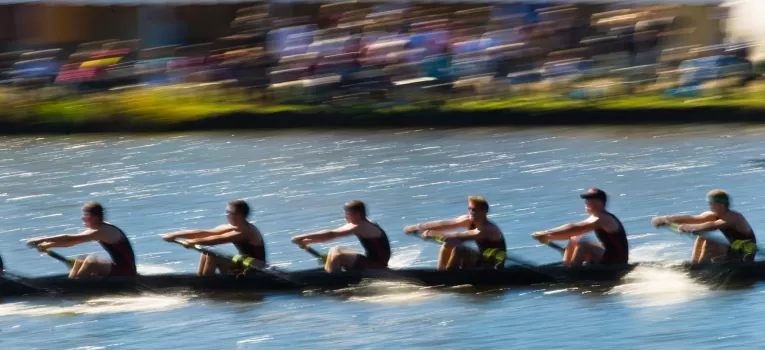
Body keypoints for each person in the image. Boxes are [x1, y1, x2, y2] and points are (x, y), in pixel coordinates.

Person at [26, 202, 136, 278]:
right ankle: (72, 281)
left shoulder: (102, 231)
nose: (83, 218)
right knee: (80, 260)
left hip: (127, 272)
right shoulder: (97, 229)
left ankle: (75, 285)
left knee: (92, 261)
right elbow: (71, 243)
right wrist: (47, 245)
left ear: (96, 217)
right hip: (121, 270)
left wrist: (41, 240)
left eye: (86, 215)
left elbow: (69, 238)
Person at [161, 199, 265, 276]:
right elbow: (206, 233)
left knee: (213, 256)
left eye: (229, 212)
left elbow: (219, 239)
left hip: (255, 271)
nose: (227, 215)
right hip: (243, 265)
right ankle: (200, 279)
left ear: (239, 215)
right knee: (206, 253)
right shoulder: (233, 227)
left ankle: (206, 285)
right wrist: (175, 235)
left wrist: (192, 242)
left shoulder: (247, 231)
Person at [652, 189, 757, 263]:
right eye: (709, 203)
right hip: (733, 251)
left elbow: (711, 226)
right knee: (701, 236)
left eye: (712, 203)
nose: (710, 206)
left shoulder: (733, 217)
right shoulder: (713, 215)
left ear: (721, 204)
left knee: (709, 242)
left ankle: (699, 270)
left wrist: (686, 227)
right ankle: (695, 264)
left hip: (744, 256)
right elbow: (693, 219)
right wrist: (666, 219)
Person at [403, 196, 506, 271]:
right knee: (449, 243)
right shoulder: (469, 220)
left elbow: (460, 236)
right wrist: (417, 227)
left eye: (474, 210)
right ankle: (441, 272)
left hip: (492, 264)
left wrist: (432, 234)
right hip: (480, 258)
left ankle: (450, 275)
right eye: (469, 209)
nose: (471, 212)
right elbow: (444, 225)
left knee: (458, 248)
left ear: (484, 211)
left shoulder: (489, 229)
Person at [532, 188, 629, 267]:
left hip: (616, 263)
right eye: (586, 199)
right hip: (612, 258)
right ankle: (567, 265)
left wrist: (546, 233)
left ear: (599, 202)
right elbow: (571, 234)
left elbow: (573, 228)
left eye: (589, 199)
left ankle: (572, 270)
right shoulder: (597, 216)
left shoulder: (602, 218)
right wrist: (548, 237)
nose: (586, 202)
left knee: (583, 242)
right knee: (575, 237)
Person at [291, 200, 390, 272]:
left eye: (348, 213)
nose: (345, 216)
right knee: (336, 249)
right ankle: (331, 272)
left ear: (357, 214)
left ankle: (332, 279)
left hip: (377, 265)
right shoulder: (359, 222)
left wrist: (303, 236)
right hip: (371, 261)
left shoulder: (362, 226)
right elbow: (332, 234)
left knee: (340, 256)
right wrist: (307, 241)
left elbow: (331, 234)